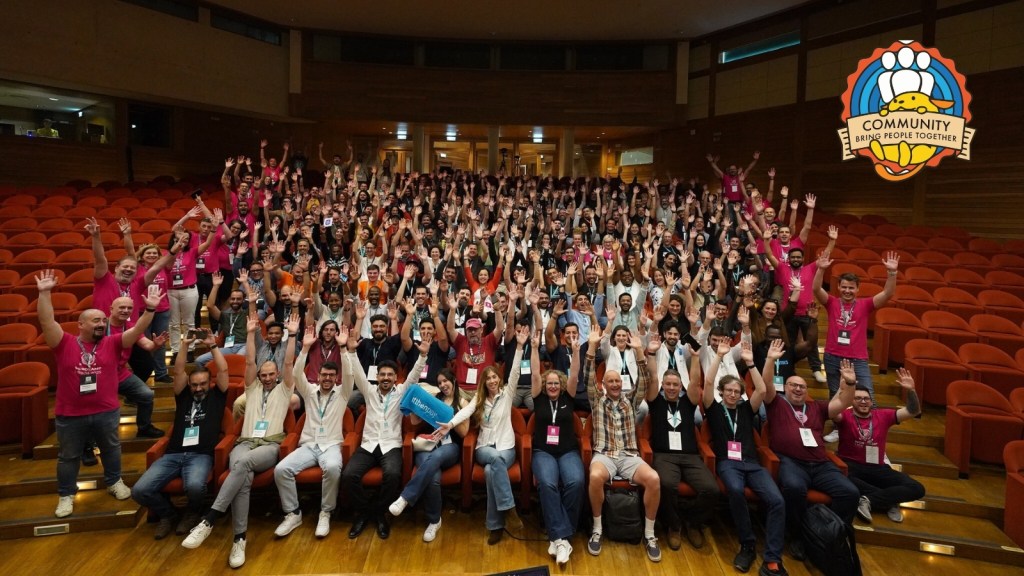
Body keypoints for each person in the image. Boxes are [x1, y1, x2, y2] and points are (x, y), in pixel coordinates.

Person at [39, 270, 160, 518]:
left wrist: (149, 310)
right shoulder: (64, 343)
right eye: (96, 321)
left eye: (103, 321)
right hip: (70, 414)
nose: (101, 324)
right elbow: (47, 321)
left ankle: (114, 481)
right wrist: (44, 293)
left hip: (106, 410)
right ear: (81, 324)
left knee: (111, 448)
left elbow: (137, 330)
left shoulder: (112, 343)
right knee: (68, 457)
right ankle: (66, 494)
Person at [181, 313, 298, 569]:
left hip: (269, 445)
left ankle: (209, 520)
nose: (267, 378)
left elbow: (289, 362)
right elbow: (249, 361)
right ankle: (239, 539)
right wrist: (251, 333)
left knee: (242, 466)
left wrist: (291, 336)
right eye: (263, 375)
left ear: (277, 374)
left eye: (271, 374)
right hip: (244, 443)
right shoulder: (252, 389)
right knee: (241, 476)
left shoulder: (284, 389)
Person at [131, 331, 229, 539]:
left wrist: (213, 346)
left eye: (202, 384)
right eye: (194, 385)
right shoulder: (183, 396)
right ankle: (168, 514)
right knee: (139, 490)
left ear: (209, 383)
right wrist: (184, 345)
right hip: (173, 455)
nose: (198, 388)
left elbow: (223, 369)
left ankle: (192, 513)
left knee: (194, 487)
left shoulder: (217, 397)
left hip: (201, 455)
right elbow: (178, 370)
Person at [435, 327, 527, 545]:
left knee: (489, 472)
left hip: (506, 448)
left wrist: (520, 347)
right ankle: (510, 509)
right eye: (488, 379)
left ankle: (495, 525)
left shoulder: (507, 395)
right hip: (484, 448)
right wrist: (450, 424)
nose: (492, 381)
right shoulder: (479, 398)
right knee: (493, 459)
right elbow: (465, 411)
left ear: (499, 379)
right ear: (484, 382)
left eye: (495, 377)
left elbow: (515, 372)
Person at [704, 338, 788, 576]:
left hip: (752, 464)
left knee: (777, 501)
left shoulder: (746, 409)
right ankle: (747, 544)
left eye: (736, 391)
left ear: (741, 394)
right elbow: (708, 381)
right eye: (728, 391)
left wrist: (751, 364)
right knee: (735, 490)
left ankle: (773, 558)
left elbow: (761, 390)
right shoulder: (714, 408)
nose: (732, 394)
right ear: (721, 392)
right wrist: (719, 356)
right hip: (728, 464)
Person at [762, 359, 859, 560]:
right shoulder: (777, 403)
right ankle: (797, 535)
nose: (798, 389)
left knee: (850, 492)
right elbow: (766, 383)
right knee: (794, 488)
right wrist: (770, 360)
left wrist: (850, 383)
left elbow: (843, 403)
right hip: (791, 462)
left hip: (821, 465)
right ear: (785, 388)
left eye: (802, 387)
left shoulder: (817, 407)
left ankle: (831, 536)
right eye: (793, 385)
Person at [583, 324, 663, 563]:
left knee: (654, 479)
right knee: (595, 476)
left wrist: (639, 351)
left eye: (617, 381)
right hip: (605, 454)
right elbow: (588, 375)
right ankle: (597, 528)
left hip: (629, 456)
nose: (615, 384)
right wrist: (592, 346)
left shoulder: (631, 401)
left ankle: (649, 534)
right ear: (604, 385)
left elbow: (645, 380)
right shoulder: (597, 401)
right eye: (610, 381)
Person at [340, 328, 430, 540]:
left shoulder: (401, 392)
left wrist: (423, 356)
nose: (386, 378)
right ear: (377, 377)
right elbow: (358, 373)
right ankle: (364, 512)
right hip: (368, 444)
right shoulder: (369, 391)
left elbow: (414, 375)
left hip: (391, 445)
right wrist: (351, 352)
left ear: (395, 377)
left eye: (390, 375)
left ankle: (380, 513)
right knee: (349, 475)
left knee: (393, 475)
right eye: (382, 375)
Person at [273, 325, 353, 539]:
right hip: (309, 446)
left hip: (331, 445)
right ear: (318, 376)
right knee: (281, 470)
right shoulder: (309, 392)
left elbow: (350, 374)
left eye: (331, 375)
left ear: (336, 378)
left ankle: (325, 512)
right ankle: (293, 513)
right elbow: (296, 373)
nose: (327, 378)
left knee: (333, 468)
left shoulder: (342, 393)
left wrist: (343, 348)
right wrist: (305, 349)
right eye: (324, 375)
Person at [812, 250, 899, 441]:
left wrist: (892, 273)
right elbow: (816, 289)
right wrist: (821, 269)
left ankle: (874, 437)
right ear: (838, 287)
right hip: (832, 357)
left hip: (858, 359)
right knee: (836, 396)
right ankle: (839, 429)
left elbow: (888, 293)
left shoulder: (865, 304)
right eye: (844, 287)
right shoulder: (832, 302)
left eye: (851, 288)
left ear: (857, 289)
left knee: (868, 397)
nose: (847, 291)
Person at [643, 332, 717, 551]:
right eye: (668, 384)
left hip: (690, 456)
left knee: (711, 489)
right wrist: (651, 354)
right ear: (663, 385)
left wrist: (695, 356)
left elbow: (695, 382)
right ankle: (674, 526)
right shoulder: (656, 401)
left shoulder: (689, 401)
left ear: (680, 386)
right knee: (666, 485)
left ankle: (692, 522)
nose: (671, 387)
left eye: (675, 384)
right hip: (664, 455)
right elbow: (653, 377)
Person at [836, 368, 925, 524]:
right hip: (851, 466)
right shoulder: (844, 415)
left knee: (917, 488)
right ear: (851, 401)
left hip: (877, 467)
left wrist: (911, 390)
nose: (863, 401)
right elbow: (832, 412)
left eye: (866, 398)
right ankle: (890, 500)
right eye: (858, 398)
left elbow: (913, 411)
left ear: (871, 401)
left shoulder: (883, 415)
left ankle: (868, 500)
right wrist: (842, 390)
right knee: (841, 478)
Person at [388, 368, 467, 543]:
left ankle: (405, 497)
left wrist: (450, 419)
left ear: (453, 381)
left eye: (445, 381)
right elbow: (414, 421)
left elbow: (464, 433)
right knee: (433, 478)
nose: (443, 385)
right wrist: (416, 405)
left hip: (450, 447)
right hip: (428, 445)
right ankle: (434, 521)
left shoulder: (462, 402)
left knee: (436, 457)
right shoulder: (434, 399)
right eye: (439, 383)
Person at [529, 330, 583, 566]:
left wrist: (576, 352)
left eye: (555, 383)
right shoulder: (538, 398)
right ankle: (563, 538)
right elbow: (534, 373)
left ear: (561, 385)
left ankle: (559, 537)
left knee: (576, 482)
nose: (552, 386)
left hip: (568, 451)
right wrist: (533, 349)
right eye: (549, 383)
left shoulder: (568, 397)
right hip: (543, 452)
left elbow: (575, 374)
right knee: (547, 484)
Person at [104, 296, 166, 439]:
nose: (125, 311)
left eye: (129, 308)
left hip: (120, 373)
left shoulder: (131, 326)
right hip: (101, 375)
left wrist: (155, 345)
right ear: (111, 309)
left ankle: (144, 428)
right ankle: (91, 442)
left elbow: (147, 345)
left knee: (146, 395)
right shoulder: (101, 325)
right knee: (103, 408)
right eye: (122, 307)